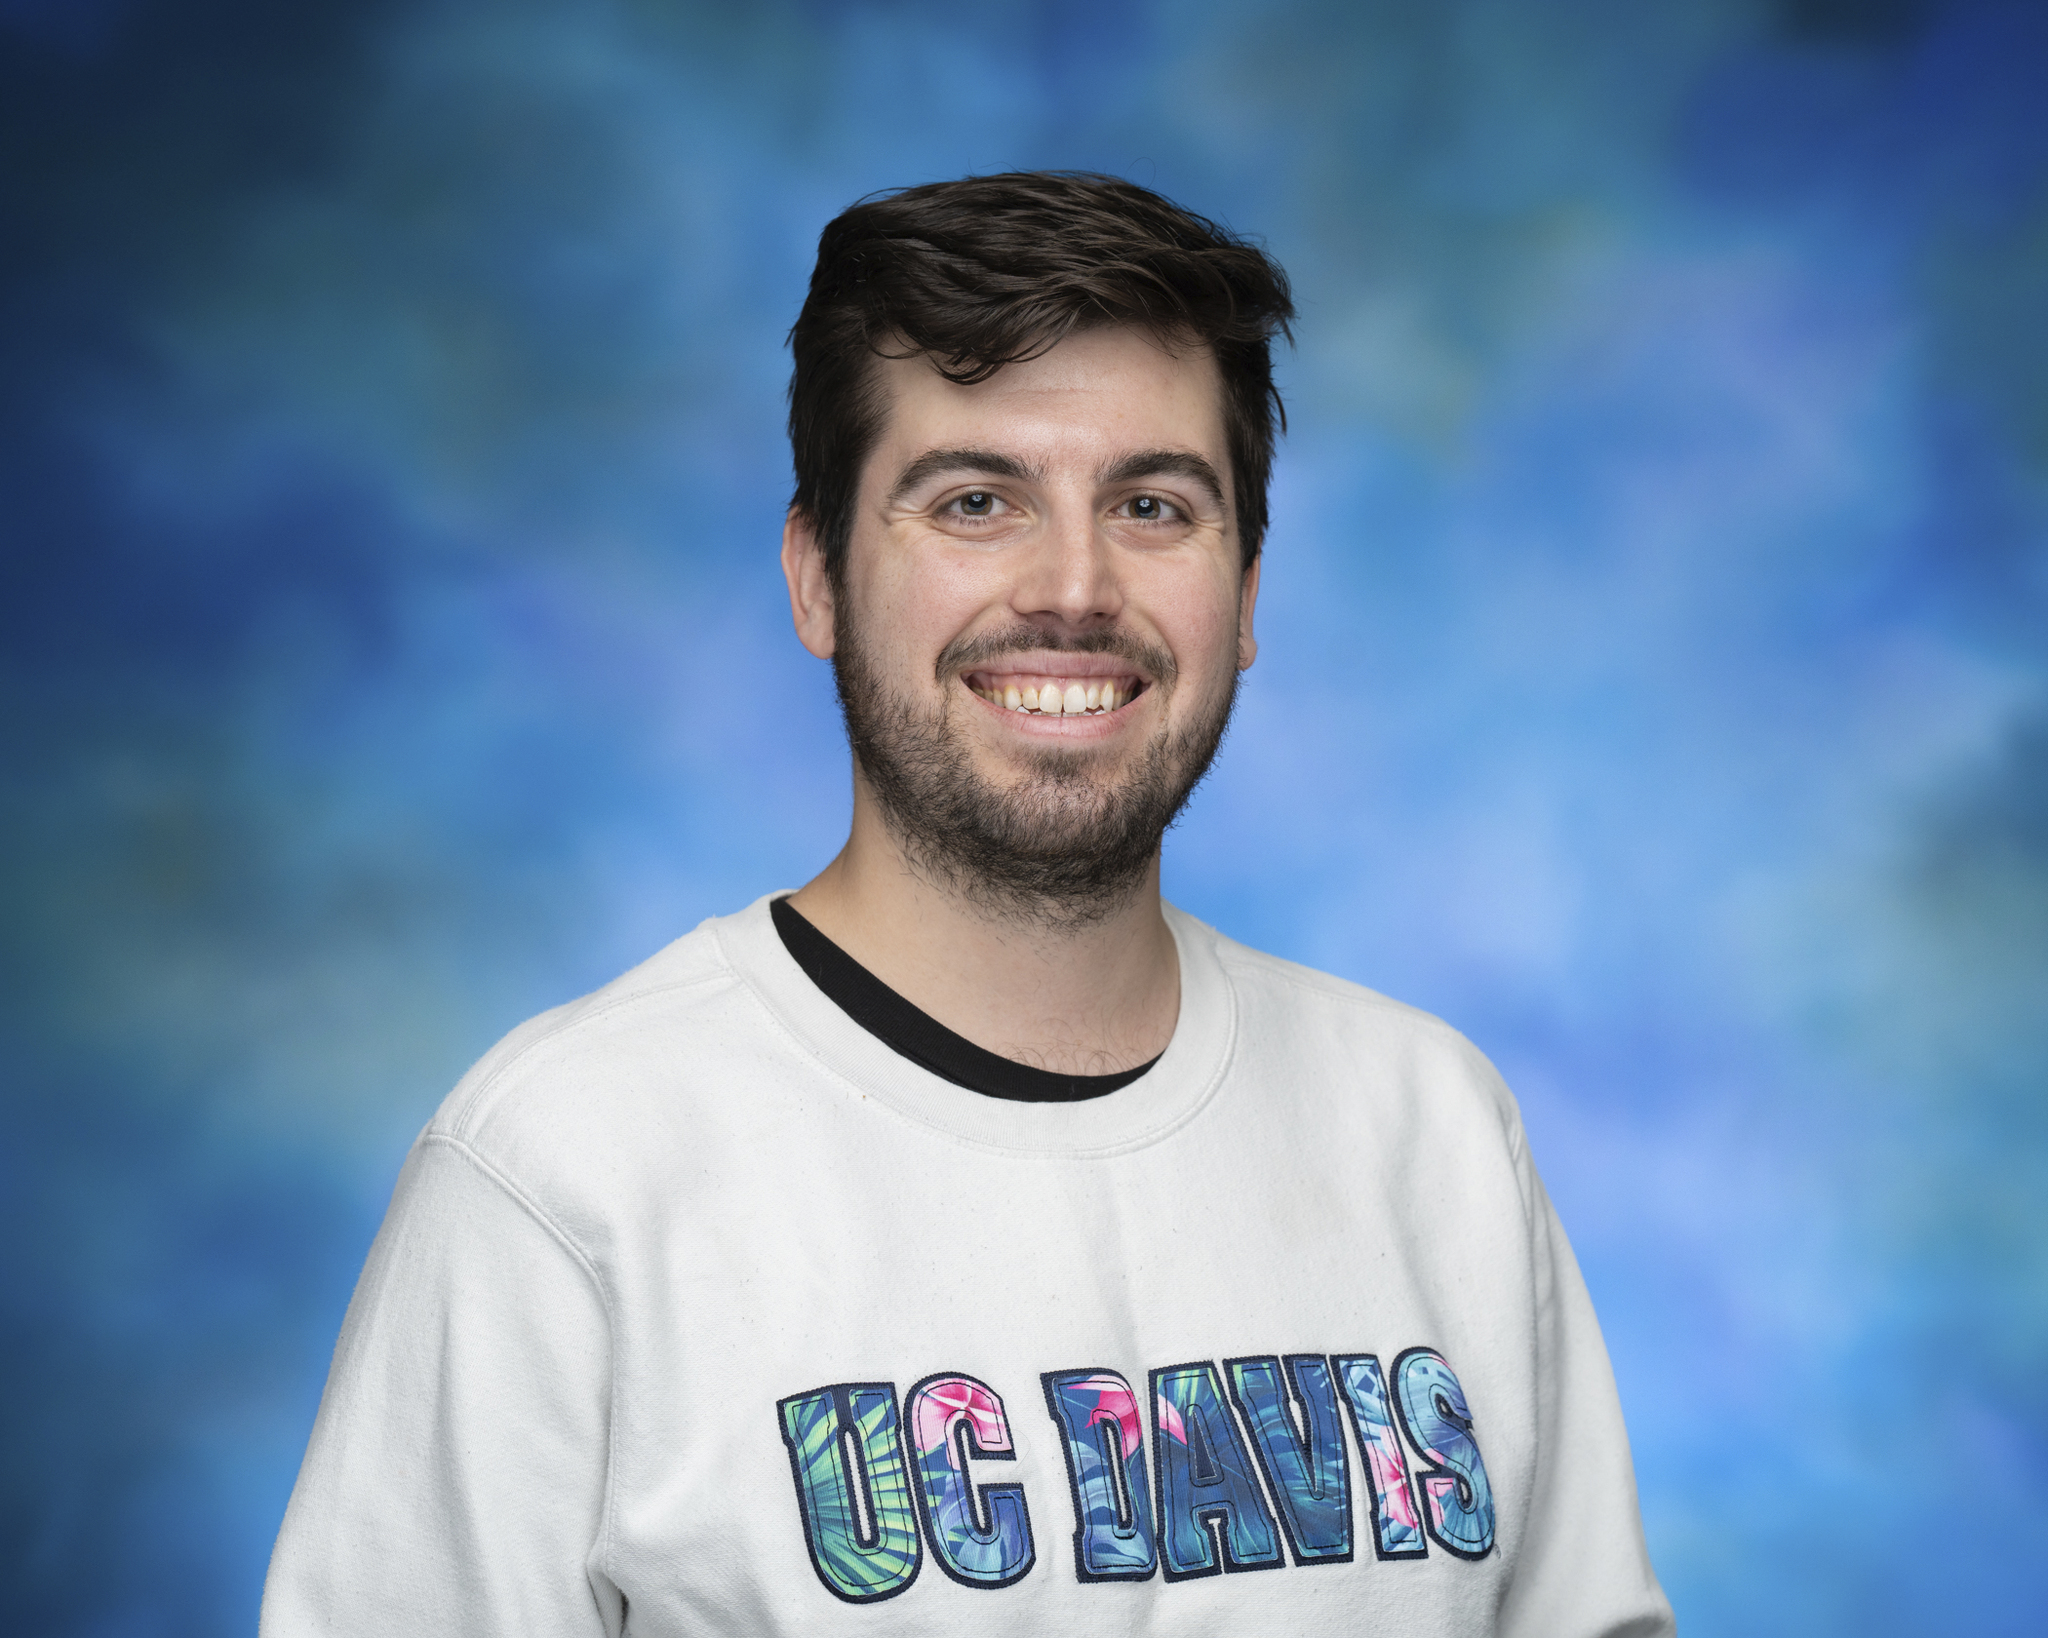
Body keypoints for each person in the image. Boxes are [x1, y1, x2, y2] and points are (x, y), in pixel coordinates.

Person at [261, 171, 1674, 1637]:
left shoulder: (1433, 1131)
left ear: (1245, 590)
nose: (1073, 586)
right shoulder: (569, 1179)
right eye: (976, 500)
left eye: (1151, 502)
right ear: (817, 577)